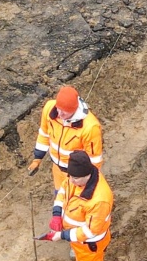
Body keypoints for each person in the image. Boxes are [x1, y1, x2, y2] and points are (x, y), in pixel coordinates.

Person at [38, 151, 114, 261]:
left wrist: (62, 235)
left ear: (86, 175)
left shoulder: (100, 199)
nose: (71, 181)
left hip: (90, 245)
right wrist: (57, 214)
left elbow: (89, 231)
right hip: (79, 244)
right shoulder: (75, 178)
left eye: (74, 178)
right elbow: (63, 191)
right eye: (70, 176)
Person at [28, 85, 103, 222]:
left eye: (65, 112)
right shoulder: (50, 109)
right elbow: (44, 134)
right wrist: (37, 158)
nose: (60, 114)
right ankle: (61, 218)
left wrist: (87, 182)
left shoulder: (90, 128)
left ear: (74, 110)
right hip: (58, 169)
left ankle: (74, 225)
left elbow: (95, 160)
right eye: (59, 108)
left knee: (75, 202)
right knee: (60, 194)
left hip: (76, 175)